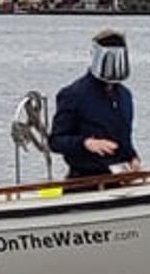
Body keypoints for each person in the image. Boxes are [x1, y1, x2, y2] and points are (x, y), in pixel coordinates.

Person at [49, 27, 142, 179]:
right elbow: (55, 141)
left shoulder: (125, 96)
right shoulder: (73, 94)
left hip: (120, 178)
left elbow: (125, 140)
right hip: (85, 180)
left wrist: (133, 159)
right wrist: (85, 143)